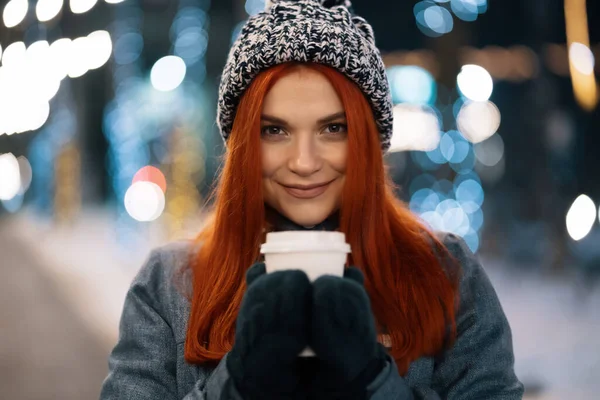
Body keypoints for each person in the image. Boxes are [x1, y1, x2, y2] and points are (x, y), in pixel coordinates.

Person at [100, 0, 524, 399]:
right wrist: (237, 382)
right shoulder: (171, 285)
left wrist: (373, 381)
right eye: (275, 130)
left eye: (333, 128)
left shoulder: (445, 273)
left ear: (369, 141)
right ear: (242, 143)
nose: (304, 162)